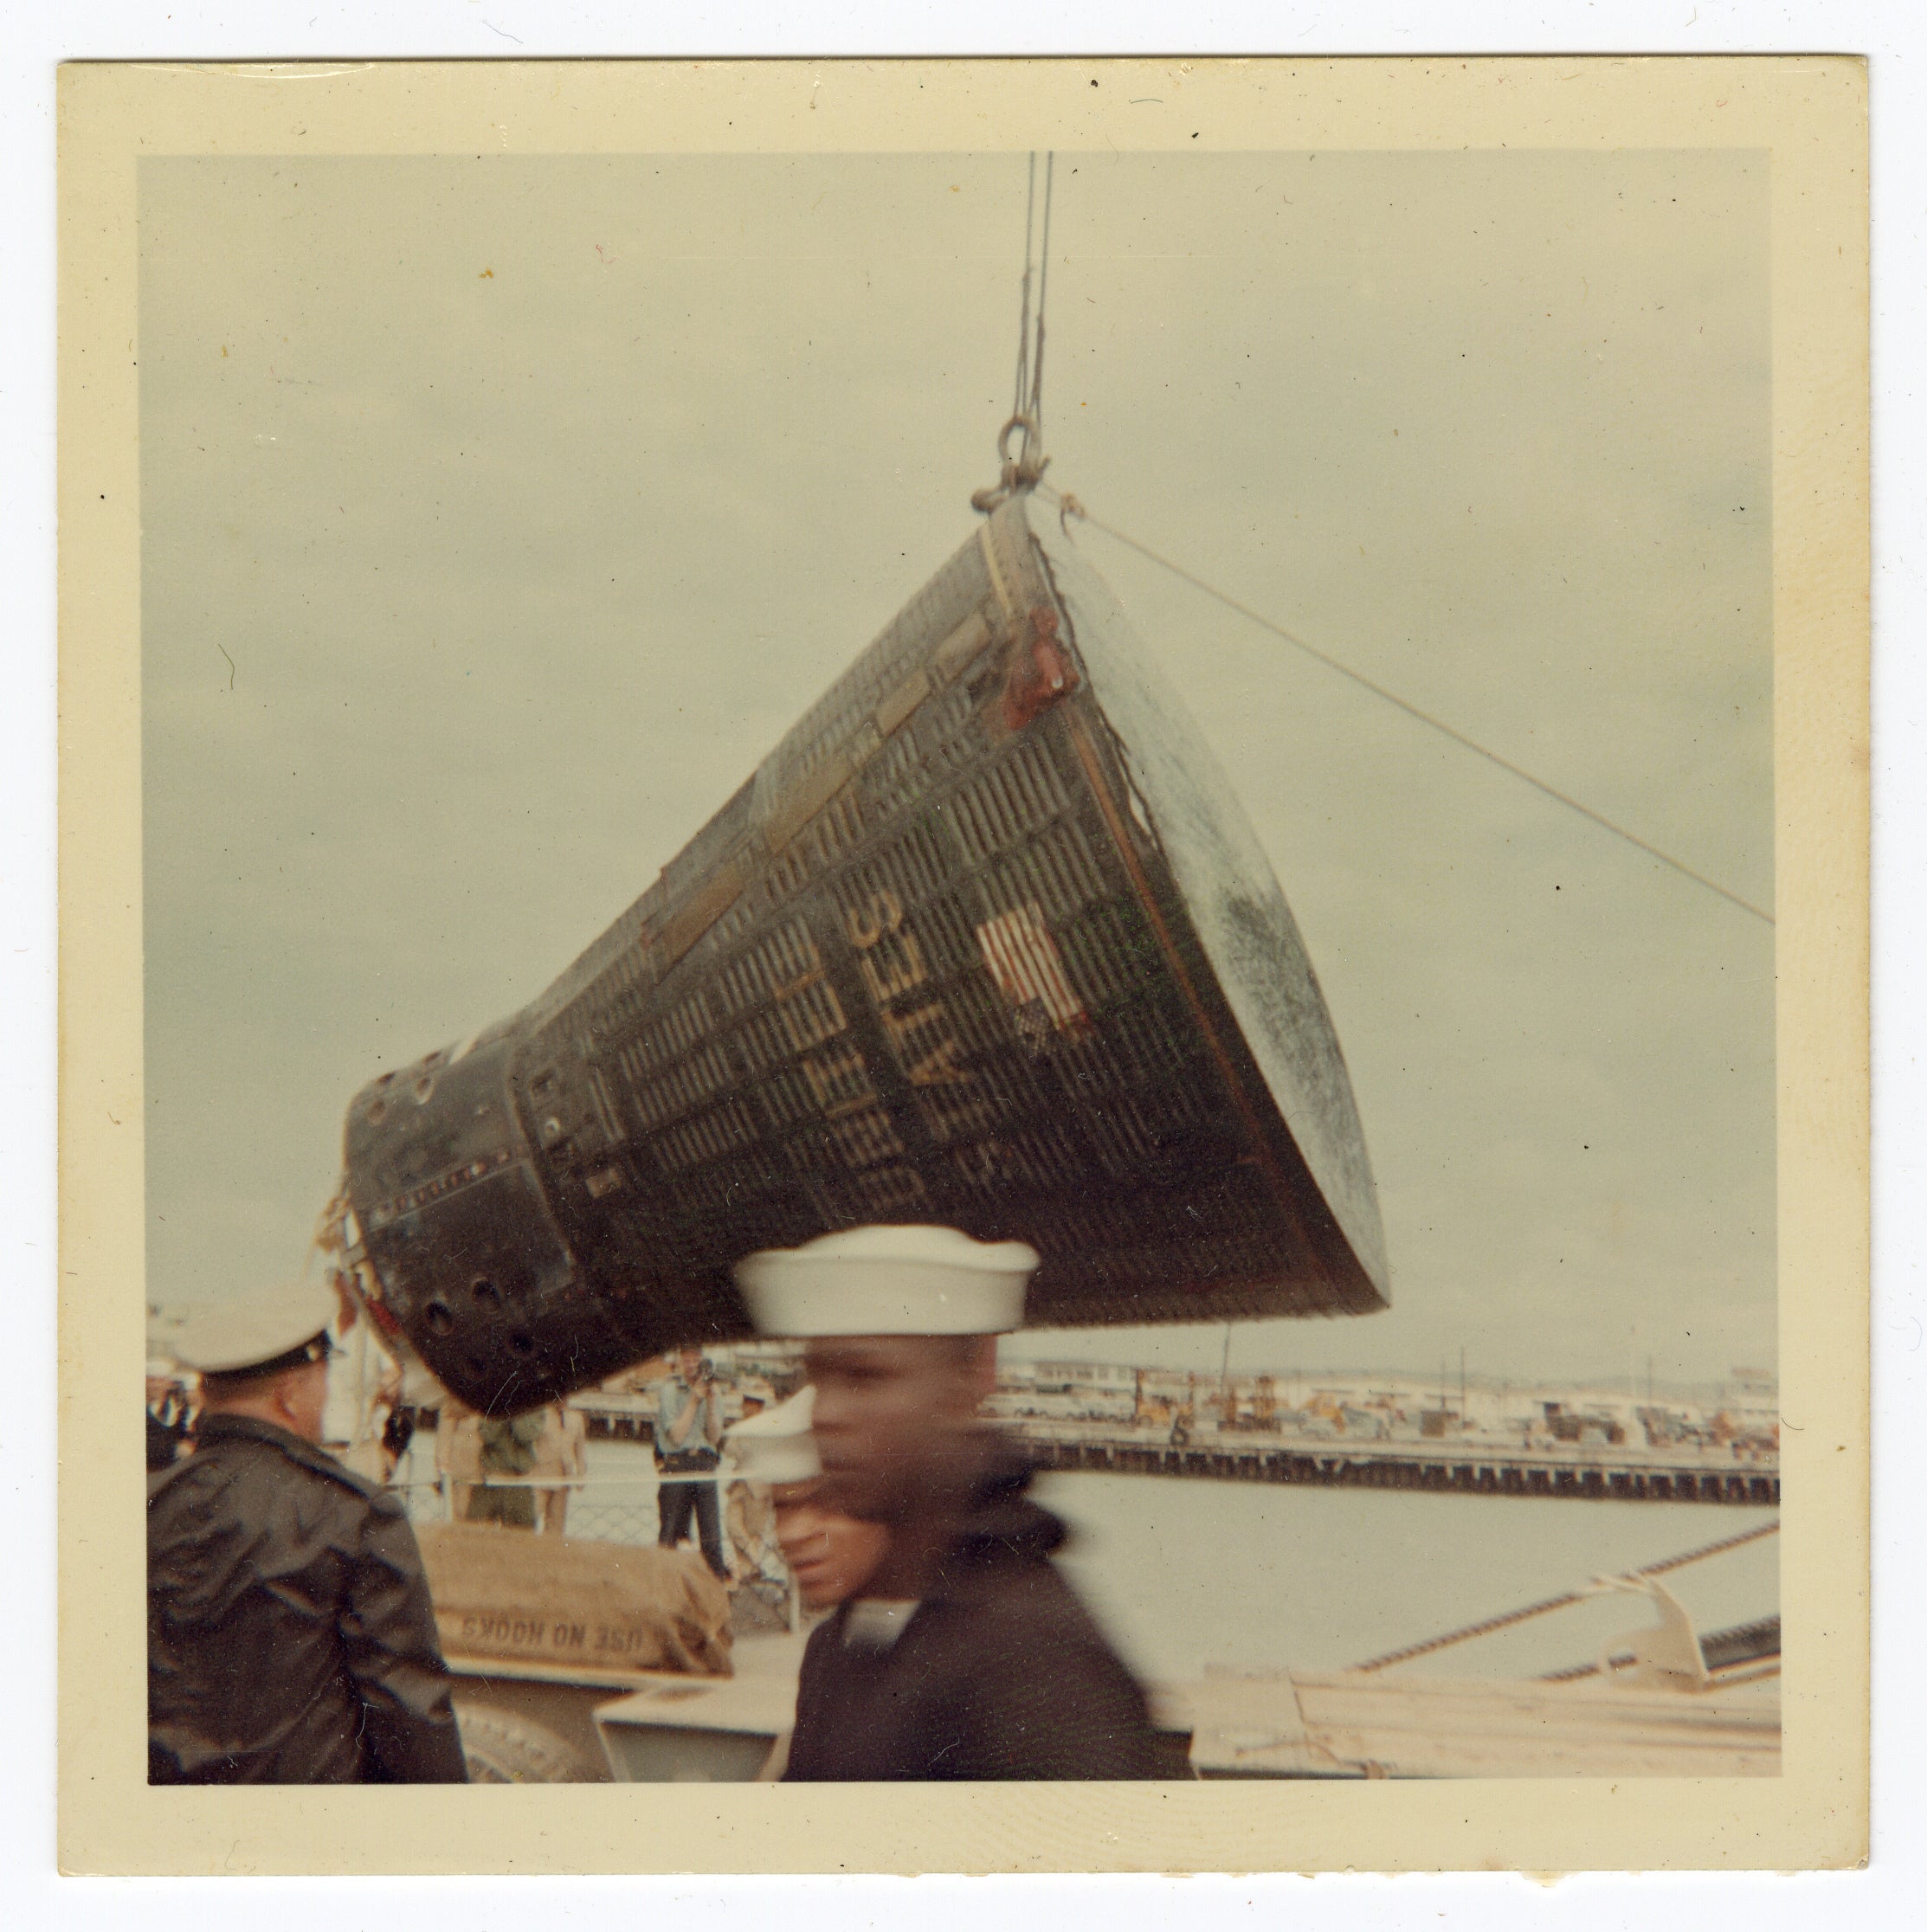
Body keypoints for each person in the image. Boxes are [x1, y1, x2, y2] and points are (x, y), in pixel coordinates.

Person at [735, 1225, 1167, 1781]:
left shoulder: (1038, 1666)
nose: (824, 1412)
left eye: (866, 1377)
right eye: (817, 1375)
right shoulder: (852, 1631)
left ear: (976, 1376)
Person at [147, 1278, 467, 1783]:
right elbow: (406, 1709)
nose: (326, 1398)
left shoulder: (144, 1503)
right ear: (290, 1396)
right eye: (322, 1380)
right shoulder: (356, 1516)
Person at [724, 1385, 892, 1781]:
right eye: (782, 1506)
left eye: (825, 1502)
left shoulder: (969, 1654)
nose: (793, 1532)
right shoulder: (827, 1649)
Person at [654, 1343, 728, 1579]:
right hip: (677, 1463)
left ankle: (715, 1587)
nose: (691, 1363)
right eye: (686, 1358)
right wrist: (695, 1400)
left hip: (705, 1462)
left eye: (696, 1358)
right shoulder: (669, 1390)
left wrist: (712, 1400)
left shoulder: (713, 1391)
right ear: (679, 1360)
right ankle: (662, 1583)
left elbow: (715, 1437)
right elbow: (676, 1436)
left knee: (711, 1535)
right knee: (670, 1532)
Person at [527, 1400, 589, 1535]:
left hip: (563, 1479)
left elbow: (580, 1452)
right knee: (529, 1521)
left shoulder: (576, 1419)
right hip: (539, 1477)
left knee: (556, 1527)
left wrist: (581, 1477)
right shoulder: (540, 1415)